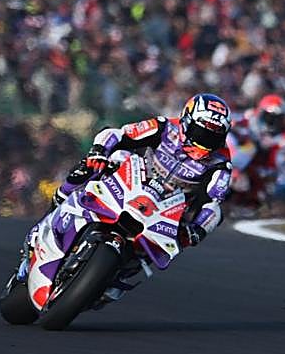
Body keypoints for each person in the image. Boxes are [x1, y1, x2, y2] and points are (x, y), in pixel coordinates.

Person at [49, 92, 233, 252]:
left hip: (169, 209)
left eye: (212, 137)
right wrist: (99, 152)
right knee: (113, 156)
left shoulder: (221, 164)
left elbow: (214, 204)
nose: (205, 143)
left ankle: (115, 281)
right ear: (186, 121)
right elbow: (120, 134)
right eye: (200, 133)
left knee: (191, 230)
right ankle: (62, 197)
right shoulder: (165, 126)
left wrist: (197, 230)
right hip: (134, 180)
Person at [226, 94, 285, 210]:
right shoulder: (242, 123)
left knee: (283, 187)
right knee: (250, 148)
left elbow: (278, 170)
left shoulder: (281, 138)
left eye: (278, 120)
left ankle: (248, 202)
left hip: (257, 172)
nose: (274, 124)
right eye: (271, 119)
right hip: (230, 166)